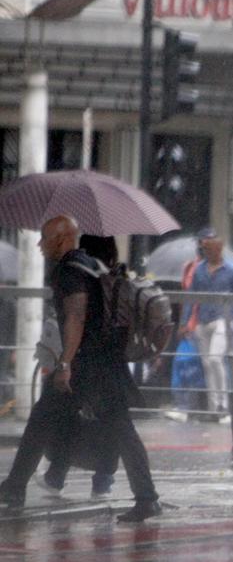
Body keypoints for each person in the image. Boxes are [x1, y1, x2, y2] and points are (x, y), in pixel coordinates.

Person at [0, 216, 160, 521]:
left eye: (44, 238)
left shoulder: (69, 270)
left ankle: (147, 497)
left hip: (88, 365)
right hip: (102, 361)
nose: (39, 244)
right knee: (46, 417)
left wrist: (65, 363)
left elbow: (76, 316)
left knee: (118, 429)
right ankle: (15, 486)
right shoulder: (93, 265)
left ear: (61, 239)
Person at [35, 235, 120, 499]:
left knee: (64, 416)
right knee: (113, 422)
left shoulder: (80, 276)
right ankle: (102, 482)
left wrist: (65, 362)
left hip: (84, 360)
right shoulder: (113, 278)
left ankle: (55, 476)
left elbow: (76, 318)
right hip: (111, 362)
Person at [178, 228, 233, 423]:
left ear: (219, 249)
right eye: (205, 249)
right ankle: (213, 407)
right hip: (203, 321)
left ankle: (224, 406)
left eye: (210, 249)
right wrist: (185, 322)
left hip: (225, 319)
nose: (207, 252)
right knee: (208, 364)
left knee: (215, 358)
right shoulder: (199, 270)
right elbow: (191, 298)